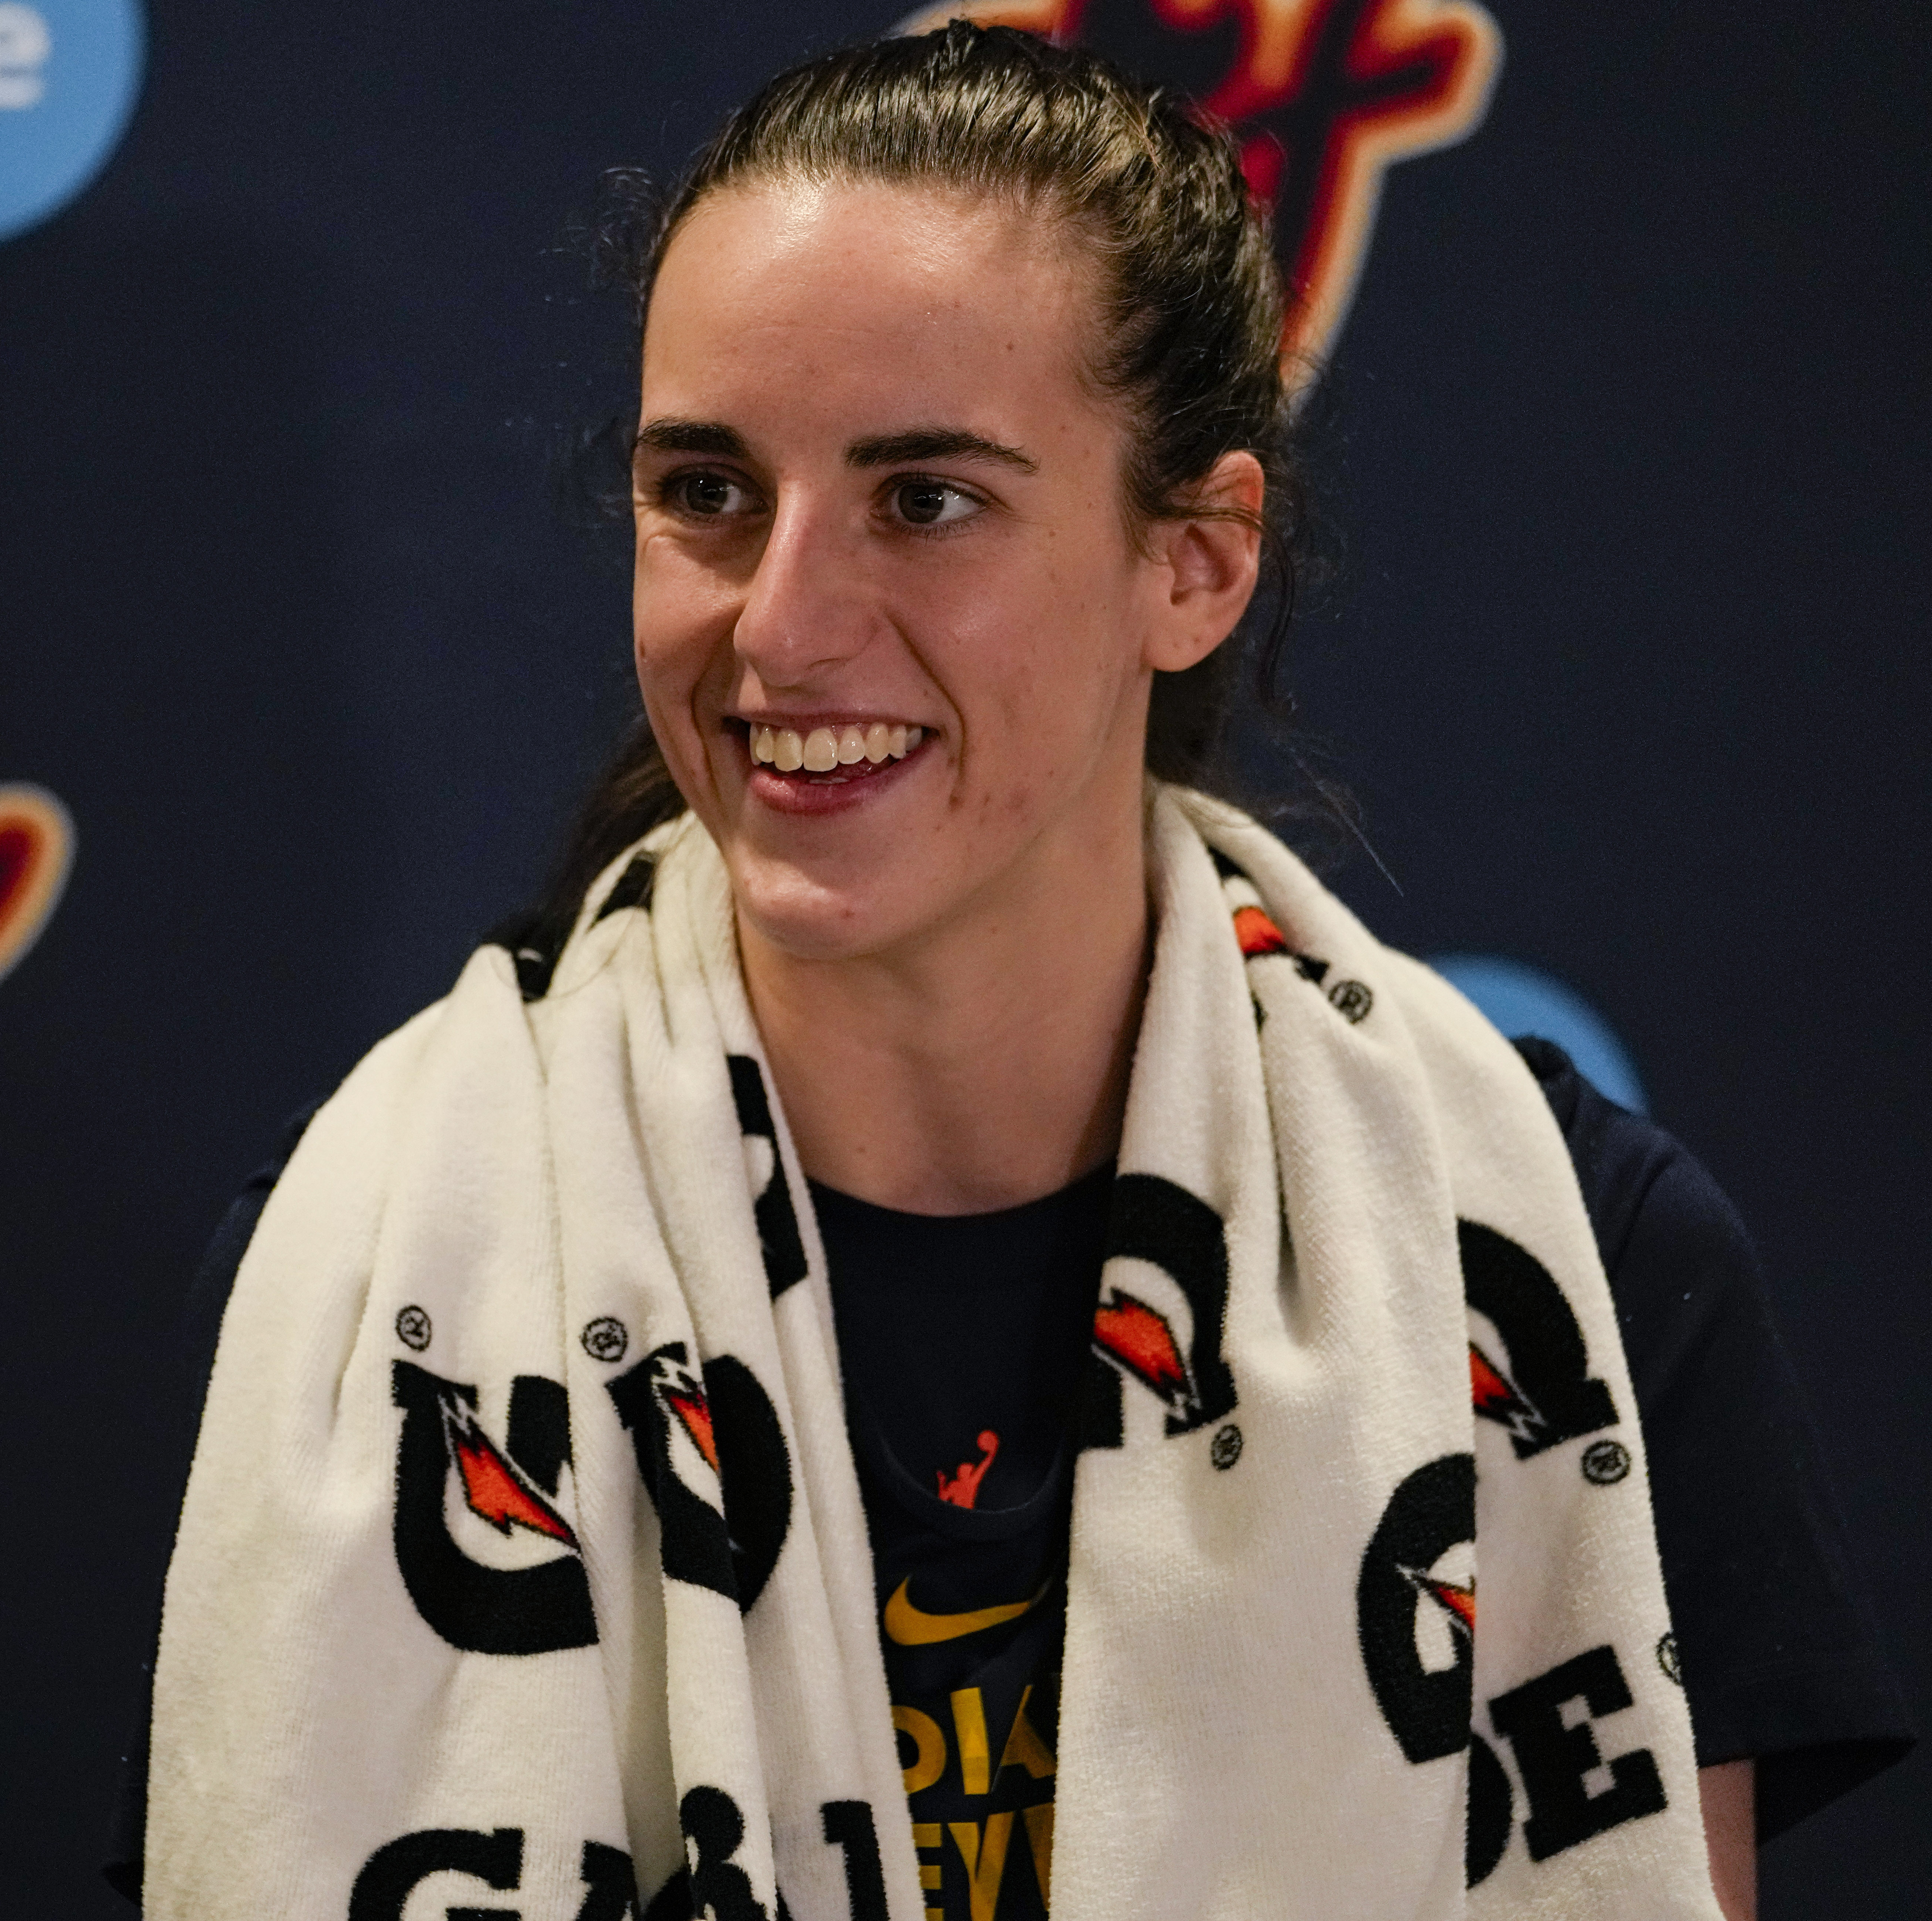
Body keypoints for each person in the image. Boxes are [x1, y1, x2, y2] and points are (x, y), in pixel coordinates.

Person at [113, 24, 1909, 1920]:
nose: (782, 628)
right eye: (709, 491)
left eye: (927, 500)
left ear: (1196, 564)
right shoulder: (359, 1283)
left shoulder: (1576, 1267)